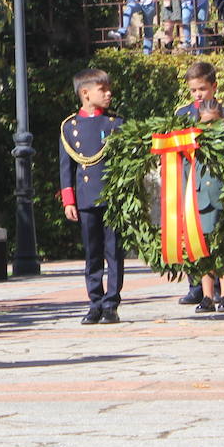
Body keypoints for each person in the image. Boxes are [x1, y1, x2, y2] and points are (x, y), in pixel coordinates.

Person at [58, 68, 126, 325]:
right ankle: (94, 302)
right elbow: (66, 167)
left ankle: (111, 304)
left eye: (109, 89)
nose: (109, 94)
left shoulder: (115, 123)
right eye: (103, 90)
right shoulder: (70, 127)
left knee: (113, 252)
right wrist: (69, 200)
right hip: (86, 198)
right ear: (85, 94)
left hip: (111, 197)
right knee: (92, 253)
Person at [173, 61, 224, 312]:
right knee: (200, 244)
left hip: (220, 188)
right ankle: (205, 295)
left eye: (202, 88)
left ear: (214, 87)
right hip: (194, 188)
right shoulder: (182, 115)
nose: (198, 95)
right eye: (193, 90)